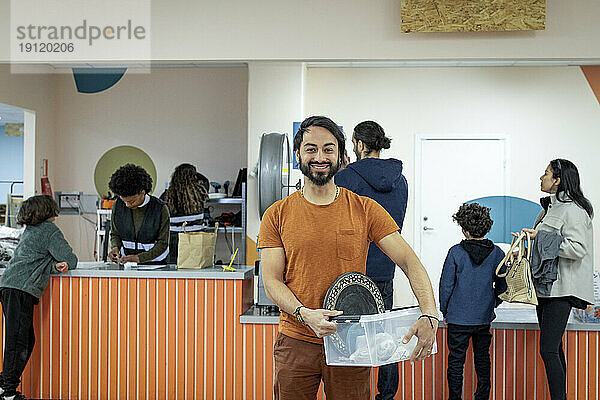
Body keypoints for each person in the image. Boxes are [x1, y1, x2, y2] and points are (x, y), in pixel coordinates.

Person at [258, 115, 438, 400]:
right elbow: (271, 280)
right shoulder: (277, 214)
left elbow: (409, 261)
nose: (320, 157)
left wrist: (429, 313)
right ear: (298, 155)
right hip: (296, 340)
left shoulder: (365, 209)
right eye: (311, 149)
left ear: (342, 155)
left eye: (329, 149)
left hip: (352, 343)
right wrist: (304, 314)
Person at [334, 120, 408, 400]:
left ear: (360, 145)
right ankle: (386, 395)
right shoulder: (401, 179)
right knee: (384, 335)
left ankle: (356, 393)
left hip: (353, 270)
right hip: (386, 268)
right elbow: (394, 224)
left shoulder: (345, 178)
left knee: (350, 337)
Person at [520, 159, 594, 400]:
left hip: (562, 289)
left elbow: (578, 248)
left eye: (546, 174)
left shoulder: (574, 210)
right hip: (547, 288)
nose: (541, 178)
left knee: (548, 349)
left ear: (558, 180)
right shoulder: (549, 209)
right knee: (555, 348)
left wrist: (540, 238)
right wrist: (534, 238)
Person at [0, 195, 77, 400]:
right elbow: (70, 259)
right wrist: (61, 263)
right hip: (20, 289)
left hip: (11, 286)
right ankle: (7, 391)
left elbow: (35, 261)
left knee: (24, 340)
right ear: (47, 211)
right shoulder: (49, 230)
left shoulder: (31, 230)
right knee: (18, 342)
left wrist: (53, 266)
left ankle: (3, 384)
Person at [439, 203, 506, 400]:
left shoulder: (455, 252)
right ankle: (482, 397)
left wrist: (445, 311)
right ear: (487, 226)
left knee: (456, 362)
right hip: (483, 319)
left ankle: (454, 398)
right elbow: (503, 287)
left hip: (458, 319)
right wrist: (492, 303)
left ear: (464, 229)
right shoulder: (497, 254)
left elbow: (446, 287)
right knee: (483, 360)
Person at [108, 164, 170, 265]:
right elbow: (115, 234)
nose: (127, 205)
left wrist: (138, 258)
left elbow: (162, 244)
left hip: (156, 264)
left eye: (132, 201)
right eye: (124, 201)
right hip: (128, 264)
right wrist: (115, 248)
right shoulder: (118, 205)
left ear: (142, 192)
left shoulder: (160, 209)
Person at [161, 163, 209, 264]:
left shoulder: (167, 194)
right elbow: (205, 180)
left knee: (175, 267)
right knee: (195, 266)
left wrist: (179, 176)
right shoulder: (199, 192)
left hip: (174, 236)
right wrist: (192, 173)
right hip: (196, 235)